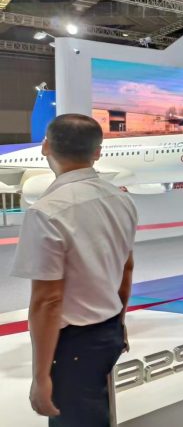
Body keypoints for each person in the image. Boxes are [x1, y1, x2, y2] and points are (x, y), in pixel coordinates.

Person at [11, 114, 137, 426]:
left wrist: (41, 376)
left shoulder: (46, 212)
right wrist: (119, 324)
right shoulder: (121, 200)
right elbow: (126, 269)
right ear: (98, 151)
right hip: (108, 330)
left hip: (73, 345)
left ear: (45, 146)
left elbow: (48, 300)